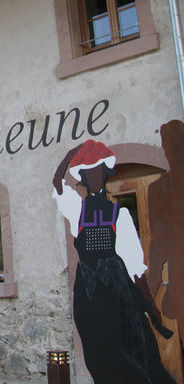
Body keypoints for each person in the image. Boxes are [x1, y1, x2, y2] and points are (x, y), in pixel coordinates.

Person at [52, 139, 175, 384]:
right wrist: (69, 155)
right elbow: (57, 184)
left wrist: (148, 301)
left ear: (105, 175)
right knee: (97, 353)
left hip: (118, 288)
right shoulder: (76, 208)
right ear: (83, 179)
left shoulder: (120, 214)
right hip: (89, 290)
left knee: (132, 346)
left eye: (98, 172)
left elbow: (134, 263)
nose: (94, 178)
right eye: (89, 173)